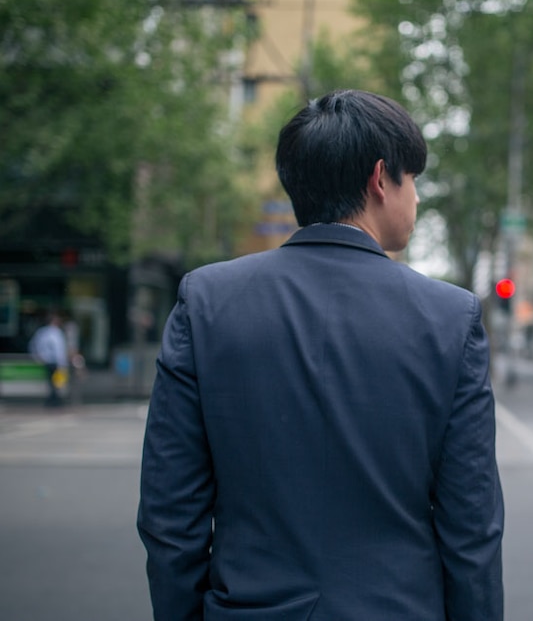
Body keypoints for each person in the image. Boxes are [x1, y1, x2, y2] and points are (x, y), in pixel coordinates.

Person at [137, 89, 504, 620]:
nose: (417, 199)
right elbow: (471, 530)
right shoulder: (449, 317)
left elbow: (170, 513)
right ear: (381, 179)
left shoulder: (207, 302)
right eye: (413, 180)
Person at [28, 311, 70, 407]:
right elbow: (59, 350)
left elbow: (33, 345)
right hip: (55, 362)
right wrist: (62, 363)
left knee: (52, 382)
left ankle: (53, 399)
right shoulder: (56, 333)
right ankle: (54, 400)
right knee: (57, 382)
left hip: (47, 361)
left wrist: (38, 357)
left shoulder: (42, 332)